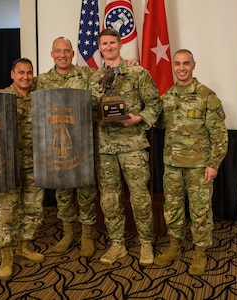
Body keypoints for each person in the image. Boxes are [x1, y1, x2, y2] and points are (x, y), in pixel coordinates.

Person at [89, 28, 162, 266]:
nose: (108, 47)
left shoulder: (137, 72)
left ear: (120, 45)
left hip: (132, 146)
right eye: (104, 44)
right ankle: (117, 244)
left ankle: (145, 244)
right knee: (109, 200)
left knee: (140, 198)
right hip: (105, 147)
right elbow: (89, 109)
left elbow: (154, 103)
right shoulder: (94, 78)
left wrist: (139, 118)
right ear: (99, 47)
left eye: (112, 43)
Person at [154, 49, 228, 276]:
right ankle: (174, 246)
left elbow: (219, 135)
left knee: (200, 211)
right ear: (173, 66)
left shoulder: (207, 96)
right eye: (177, 63)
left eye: (186, 63)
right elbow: (158, 123)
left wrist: (214, 164)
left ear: (193, 65)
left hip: (199, 166)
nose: (182, 68)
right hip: (172, 164)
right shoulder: (167, 96)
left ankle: (200, 252)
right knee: (173, 208)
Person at [35, 37, 98, 257]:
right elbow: (21, 90)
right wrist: (0, 91)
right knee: (62, 192)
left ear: (73, 54)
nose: (62, 55)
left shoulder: (87, 75)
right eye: (58, 51)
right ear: (52, 54)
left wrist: (129, 64)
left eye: (67, 51)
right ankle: (68, 233)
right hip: (56, 148)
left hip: (81, 145)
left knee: (86, 192)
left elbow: (110, 75)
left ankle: (87, 235)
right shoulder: (41, 80)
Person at [0, 58, 45, 281]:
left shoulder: (41, 97)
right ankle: (6, 255)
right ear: (12, 74)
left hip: (35, 163)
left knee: (33, 209)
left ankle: (24, 246)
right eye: (21, 73)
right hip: (8, 165)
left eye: (29, 73)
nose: (25, 77)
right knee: (8, 211)